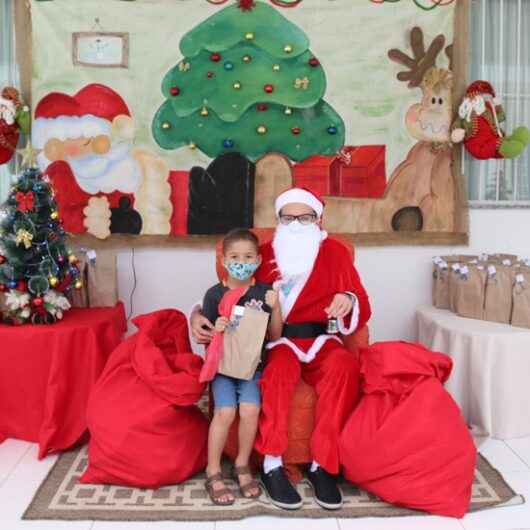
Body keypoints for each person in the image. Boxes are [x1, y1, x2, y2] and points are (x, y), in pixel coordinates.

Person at [191, 188, 371, 511]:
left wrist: (350, 300)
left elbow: (362, 299)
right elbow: (229, 289)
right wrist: (198, 314)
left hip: (322, 339)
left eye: (306, 218)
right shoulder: (260, 254)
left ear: (319, 219)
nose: (298, 225)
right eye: (290, 218)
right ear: (279, 221)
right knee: (276, 373)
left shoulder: (335, 253)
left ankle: (323, 465)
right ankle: (272, 463)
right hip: (279, 339)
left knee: (344, 367)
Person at [201, 228, 282, 506]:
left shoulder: (264, 292)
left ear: (258, 260)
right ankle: (213, 470)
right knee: (225, 411)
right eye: (235, 256)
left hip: (252, 368)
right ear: (224, 260)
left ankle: (242, 464)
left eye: (248, 256)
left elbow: (275, 335)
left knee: (250, 409)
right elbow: (208, 335)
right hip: (223, 368)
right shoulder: (214, 294)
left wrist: (277, 307)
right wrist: (217, 328)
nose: (241, 261)